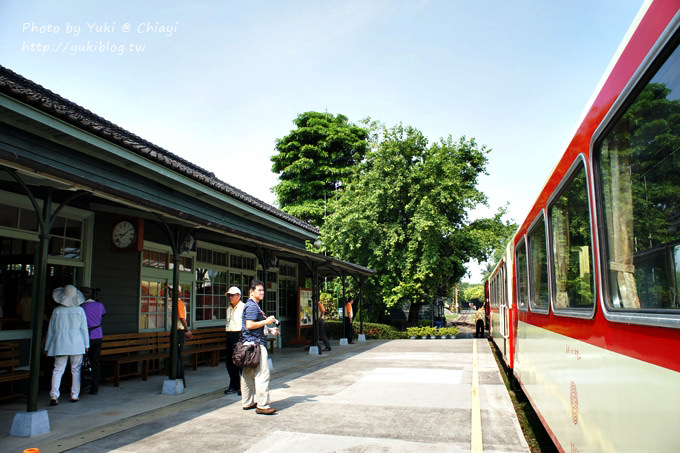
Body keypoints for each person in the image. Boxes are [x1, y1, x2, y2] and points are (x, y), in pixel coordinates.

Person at [44, 285, 89, 405]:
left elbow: (51, 330)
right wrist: (86, 344)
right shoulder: (80, 311)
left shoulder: (57, 311)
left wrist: (47, 346)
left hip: (60, 343)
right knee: (76, 369)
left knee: (58, 369)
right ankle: (74, 395)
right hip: (77, 342)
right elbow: (84, 329)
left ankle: (54, 395)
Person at [241, 279, 279, 415]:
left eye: (263, 290)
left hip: (249, 344)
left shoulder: (252, 305)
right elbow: (250, 325)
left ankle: (248, 402)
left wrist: (269, 330)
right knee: (262, 374)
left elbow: (252, 327)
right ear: (251, 292)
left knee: (247, 374)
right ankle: (262, 405)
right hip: (256, 345)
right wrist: (267, 321)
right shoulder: (251, 306)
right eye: (259, 290)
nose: (262, 292)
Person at [80, 287, 106, 395]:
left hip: (84, 336)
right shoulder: (100, 305)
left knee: (80, 362)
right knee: (95, 362)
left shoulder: (82, 307)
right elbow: (103, 315)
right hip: (97, 335)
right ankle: (95, 387)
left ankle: (80, 385)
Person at [169, 285, 192, 388]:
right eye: (170, 291)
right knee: (176, 356)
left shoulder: (178, 303)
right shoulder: (175, 303)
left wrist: (186, 330)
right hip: (177, 331)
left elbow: (182, 318)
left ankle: (179, 378)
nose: (170, 293)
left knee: (177, 356)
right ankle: (177, 377)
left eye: (172, 291)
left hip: (179, 332)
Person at [224, 286, 244, 395]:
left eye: (232, 295)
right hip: (230, 334)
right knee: (230, 362)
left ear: (238, 296)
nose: (230, 297)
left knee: (240, 362)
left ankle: (244, 387)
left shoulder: (243, 307)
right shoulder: (229, 309)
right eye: (229, 295)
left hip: (239, 335)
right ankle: (234, 385)